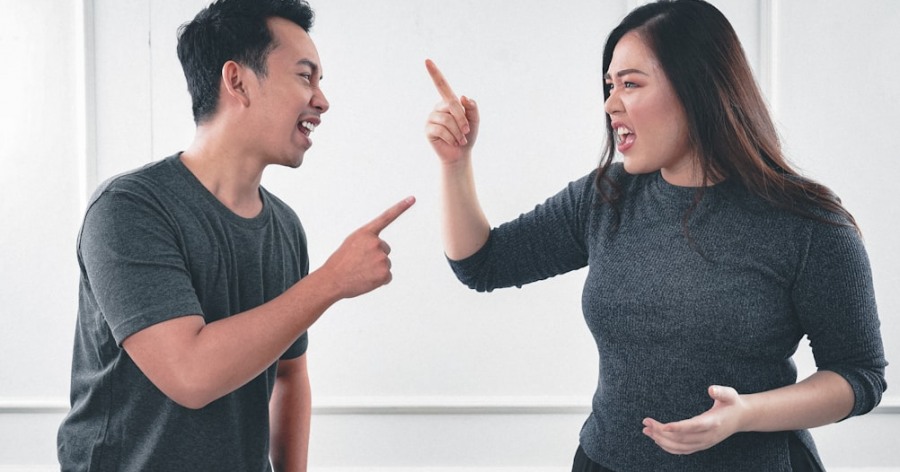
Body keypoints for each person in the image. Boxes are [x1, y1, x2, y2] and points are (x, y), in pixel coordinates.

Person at [424, 1, 887, 471]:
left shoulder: (807, 224)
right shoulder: (606, 196)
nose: (610, 104)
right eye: (610, 86)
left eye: (630, 84)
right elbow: (482, 264)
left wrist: (745, 414)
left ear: (697, 88)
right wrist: (455, 164)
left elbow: (859, 374)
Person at [57, 0, 414, 470]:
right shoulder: (128, 209)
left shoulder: (285, 227)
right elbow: (190, 374)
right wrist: (330, 282)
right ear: (238, 81)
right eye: (305, 76)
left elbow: (289, 374)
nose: (322, 100)